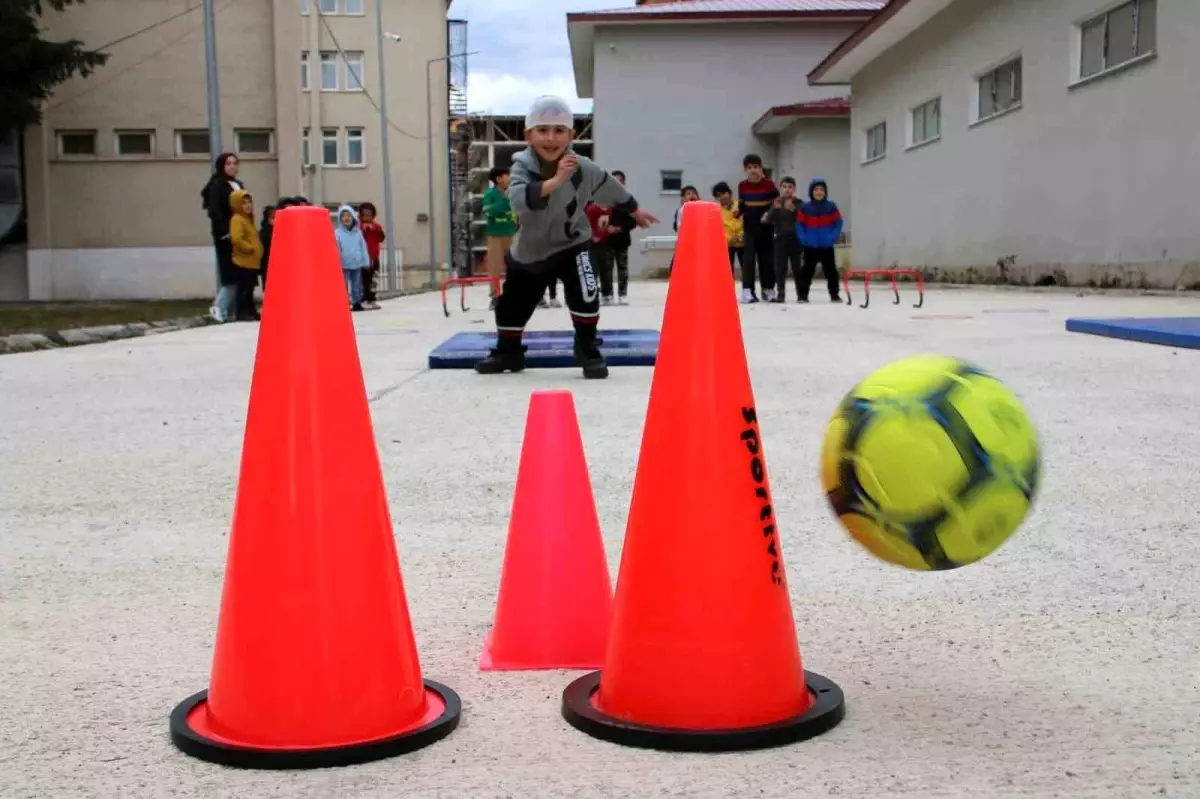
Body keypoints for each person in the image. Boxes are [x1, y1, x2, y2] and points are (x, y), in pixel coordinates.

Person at [474, 95, 657, 379]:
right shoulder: (521, 166)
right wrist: (556, 180)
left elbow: (610, 186)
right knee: (511, 305)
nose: (550, 138)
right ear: (528, 135)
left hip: (572, 242)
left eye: (559, 131)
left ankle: (586, 347)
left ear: (571, 135)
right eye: (543, 130)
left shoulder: (582, 167)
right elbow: (519, 200)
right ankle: (508, 351)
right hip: (531, 250)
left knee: (586, 289)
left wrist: (634, 210)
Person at [200, 153, 244, 322]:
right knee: (231, 273)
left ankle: (232, 311)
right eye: (228, 163)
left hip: (241, 234)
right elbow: (215, 211)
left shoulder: (238, 184)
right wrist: (225, 232)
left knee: (242, 273)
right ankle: (219, 307)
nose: (232, 166)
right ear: (221, 166)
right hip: (226, 236)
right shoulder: (217, 185)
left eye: (235, 163)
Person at [737, 154, 778, 304]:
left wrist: (769, 214)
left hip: (766, 226)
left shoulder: (769, 184)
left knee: (766, 259)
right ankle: (748, 291)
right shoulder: (742, 185)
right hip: (749, 227)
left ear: (760, 168)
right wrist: (738, 212)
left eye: (756, 167)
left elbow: (776, 203)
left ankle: (768, 290)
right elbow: (742, 203)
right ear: (745, 169)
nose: (753, 170)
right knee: (748, 260)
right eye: (749, 168)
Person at [795, 177, 845, 303]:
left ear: (825, 192)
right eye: (816, 189)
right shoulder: (804, 208)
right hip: (810, 246)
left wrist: (832, 237)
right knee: (806, 271)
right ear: (811, 192)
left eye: (822, 189)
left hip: (826, 246)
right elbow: (799, 225)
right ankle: (802, 295)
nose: (819, 192)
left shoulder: (831, 207)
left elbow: (838, 223)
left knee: (831, 271)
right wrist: (804, 238)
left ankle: (834, 294)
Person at [482, 167, 518, 311]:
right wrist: (504, 203)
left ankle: (514, 295)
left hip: (512, 234)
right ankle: (495, 297)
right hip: (495, 235)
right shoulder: (490, 194)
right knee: (495, 266)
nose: (510, 178)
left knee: (515, 266)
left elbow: (517, 209)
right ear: (498, 179)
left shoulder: (513, 193)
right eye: (507, 175)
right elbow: (488, 210)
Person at [763, 176, 802, 303]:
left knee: (797, 268)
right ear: (780, 188)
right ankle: (781, 294)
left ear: (794, 189)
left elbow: (805, 219)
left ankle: (801, 295)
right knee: (780, 268)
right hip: (780, 239)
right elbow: (767, 220)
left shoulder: (799, 203)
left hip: (796, 240)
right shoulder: (777, 202)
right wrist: (775, 208)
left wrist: (795, 211)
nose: (787, 190)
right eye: (784, 187)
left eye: (790, 187)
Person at [228, 189, 263, 321]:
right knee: (244, 289)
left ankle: (251, 311)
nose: (248, 205)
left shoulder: (248, 219)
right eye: (243, 203)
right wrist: (249, 248)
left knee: (250, 289)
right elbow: (236, 238)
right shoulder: (237, 219)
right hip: (243, 261)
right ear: (237, 204)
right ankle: (242, 313)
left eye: (249, 202)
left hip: (252, 261)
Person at [334, 204, 371, 311]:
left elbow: (363, 247)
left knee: (357, 285)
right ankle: (343, 303)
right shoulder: (337, 233)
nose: (346, 218)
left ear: (353, 217)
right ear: (340, 219)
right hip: (344, 264)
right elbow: (336, 248)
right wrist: (337, 262)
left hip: (357, 263)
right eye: (343, 216)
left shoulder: (358, 233)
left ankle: (356, 302)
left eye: (348, 215)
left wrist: (365, 261)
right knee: (343, 285)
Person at [606, 170, 636, 304]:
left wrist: (619, 228)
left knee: (622, 268)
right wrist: (606, 228)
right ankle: (607, 294)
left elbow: (634, 220)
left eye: (620, 181)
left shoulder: (628, 200)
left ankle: (622, 294)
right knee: (606, 269)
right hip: (605, 239)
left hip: (622, 239)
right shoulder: (603, 198)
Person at [585, 201, 617, 305]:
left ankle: (606, 294)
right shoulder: (592, 208)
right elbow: (588, 224)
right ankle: (593, 293)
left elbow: (611, 224)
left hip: (605, 241)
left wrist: (603, 234)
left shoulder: (610, 208)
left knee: (605, 269)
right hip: (593, 243)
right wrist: (594, 235)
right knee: (593, 269)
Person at [667, 185, 700, 277]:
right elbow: (679, 227)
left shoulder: (701, 209)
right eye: (688, 194)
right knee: (678, 269)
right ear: (683, 198)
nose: (691, 195)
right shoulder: (682, 209)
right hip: (685, 243)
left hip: (697, 244)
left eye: (694, 193)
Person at [358, 202, 385, 310]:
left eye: (369, 215)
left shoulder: (376, 226)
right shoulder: (358, 226)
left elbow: (381, 238)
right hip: (363, 258)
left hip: (374, 257)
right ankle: (364, 299)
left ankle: (372, 299)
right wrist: (363, 229)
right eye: (364, 215)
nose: (367, 217)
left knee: (374, 280)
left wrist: (375, 229)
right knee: (364, 280)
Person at [713, 181, 744, 278]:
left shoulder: (740, 205)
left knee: (747, 269)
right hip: (727, 245)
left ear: (729, 193)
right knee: (728, 272)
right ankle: (730, 291)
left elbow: (746, 222)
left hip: (743, 242)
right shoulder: (716, 211)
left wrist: (741, 236)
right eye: (719, 195)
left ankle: (748, 290)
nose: (722, 197)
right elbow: (718, 229)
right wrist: (729, 239)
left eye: (724, 193)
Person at [258, 204, 276, 293]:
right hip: (267, 267)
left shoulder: (280, 231)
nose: (275, 220)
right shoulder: (264, 233)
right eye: (272, 218)